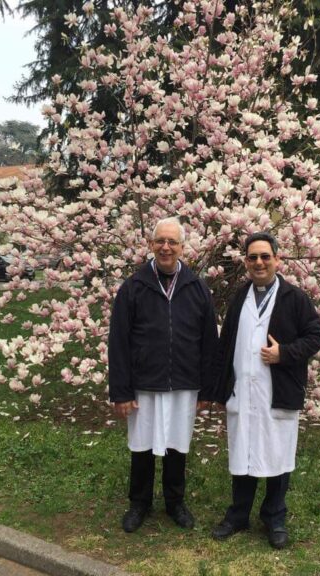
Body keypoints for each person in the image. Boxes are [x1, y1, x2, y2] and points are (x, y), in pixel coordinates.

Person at [211, 231, 320, 549]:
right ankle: (238, 515)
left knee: (277, 455)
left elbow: (316, 336)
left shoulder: (294, 298)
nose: (259, 262)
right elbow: (225, 345)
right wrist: (221, 391)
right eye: (252, 257)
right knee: (244, 453)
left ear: (277, 259)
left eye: (265, 256)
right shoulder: (239, 297)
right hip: (242, 393)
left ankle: (275, 518)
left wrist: (283, 353)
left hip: (278, 393)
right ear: (246, 262)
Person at [108, 217, 218, 533]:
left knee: (176, 445)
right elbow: (118, 341)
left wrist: (208, 390)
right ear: (151, 245)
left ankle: (175, 502)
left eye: (172, 242)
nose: (166, 247)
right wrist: (121, 391)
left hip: (184, 382)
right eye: (160, 241)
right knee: (142, 446)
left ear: (183, 247)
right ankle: (139, 503)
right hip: (143, 382)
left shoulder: (197, 288)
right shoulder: (133, 287)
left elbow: (209, 341)